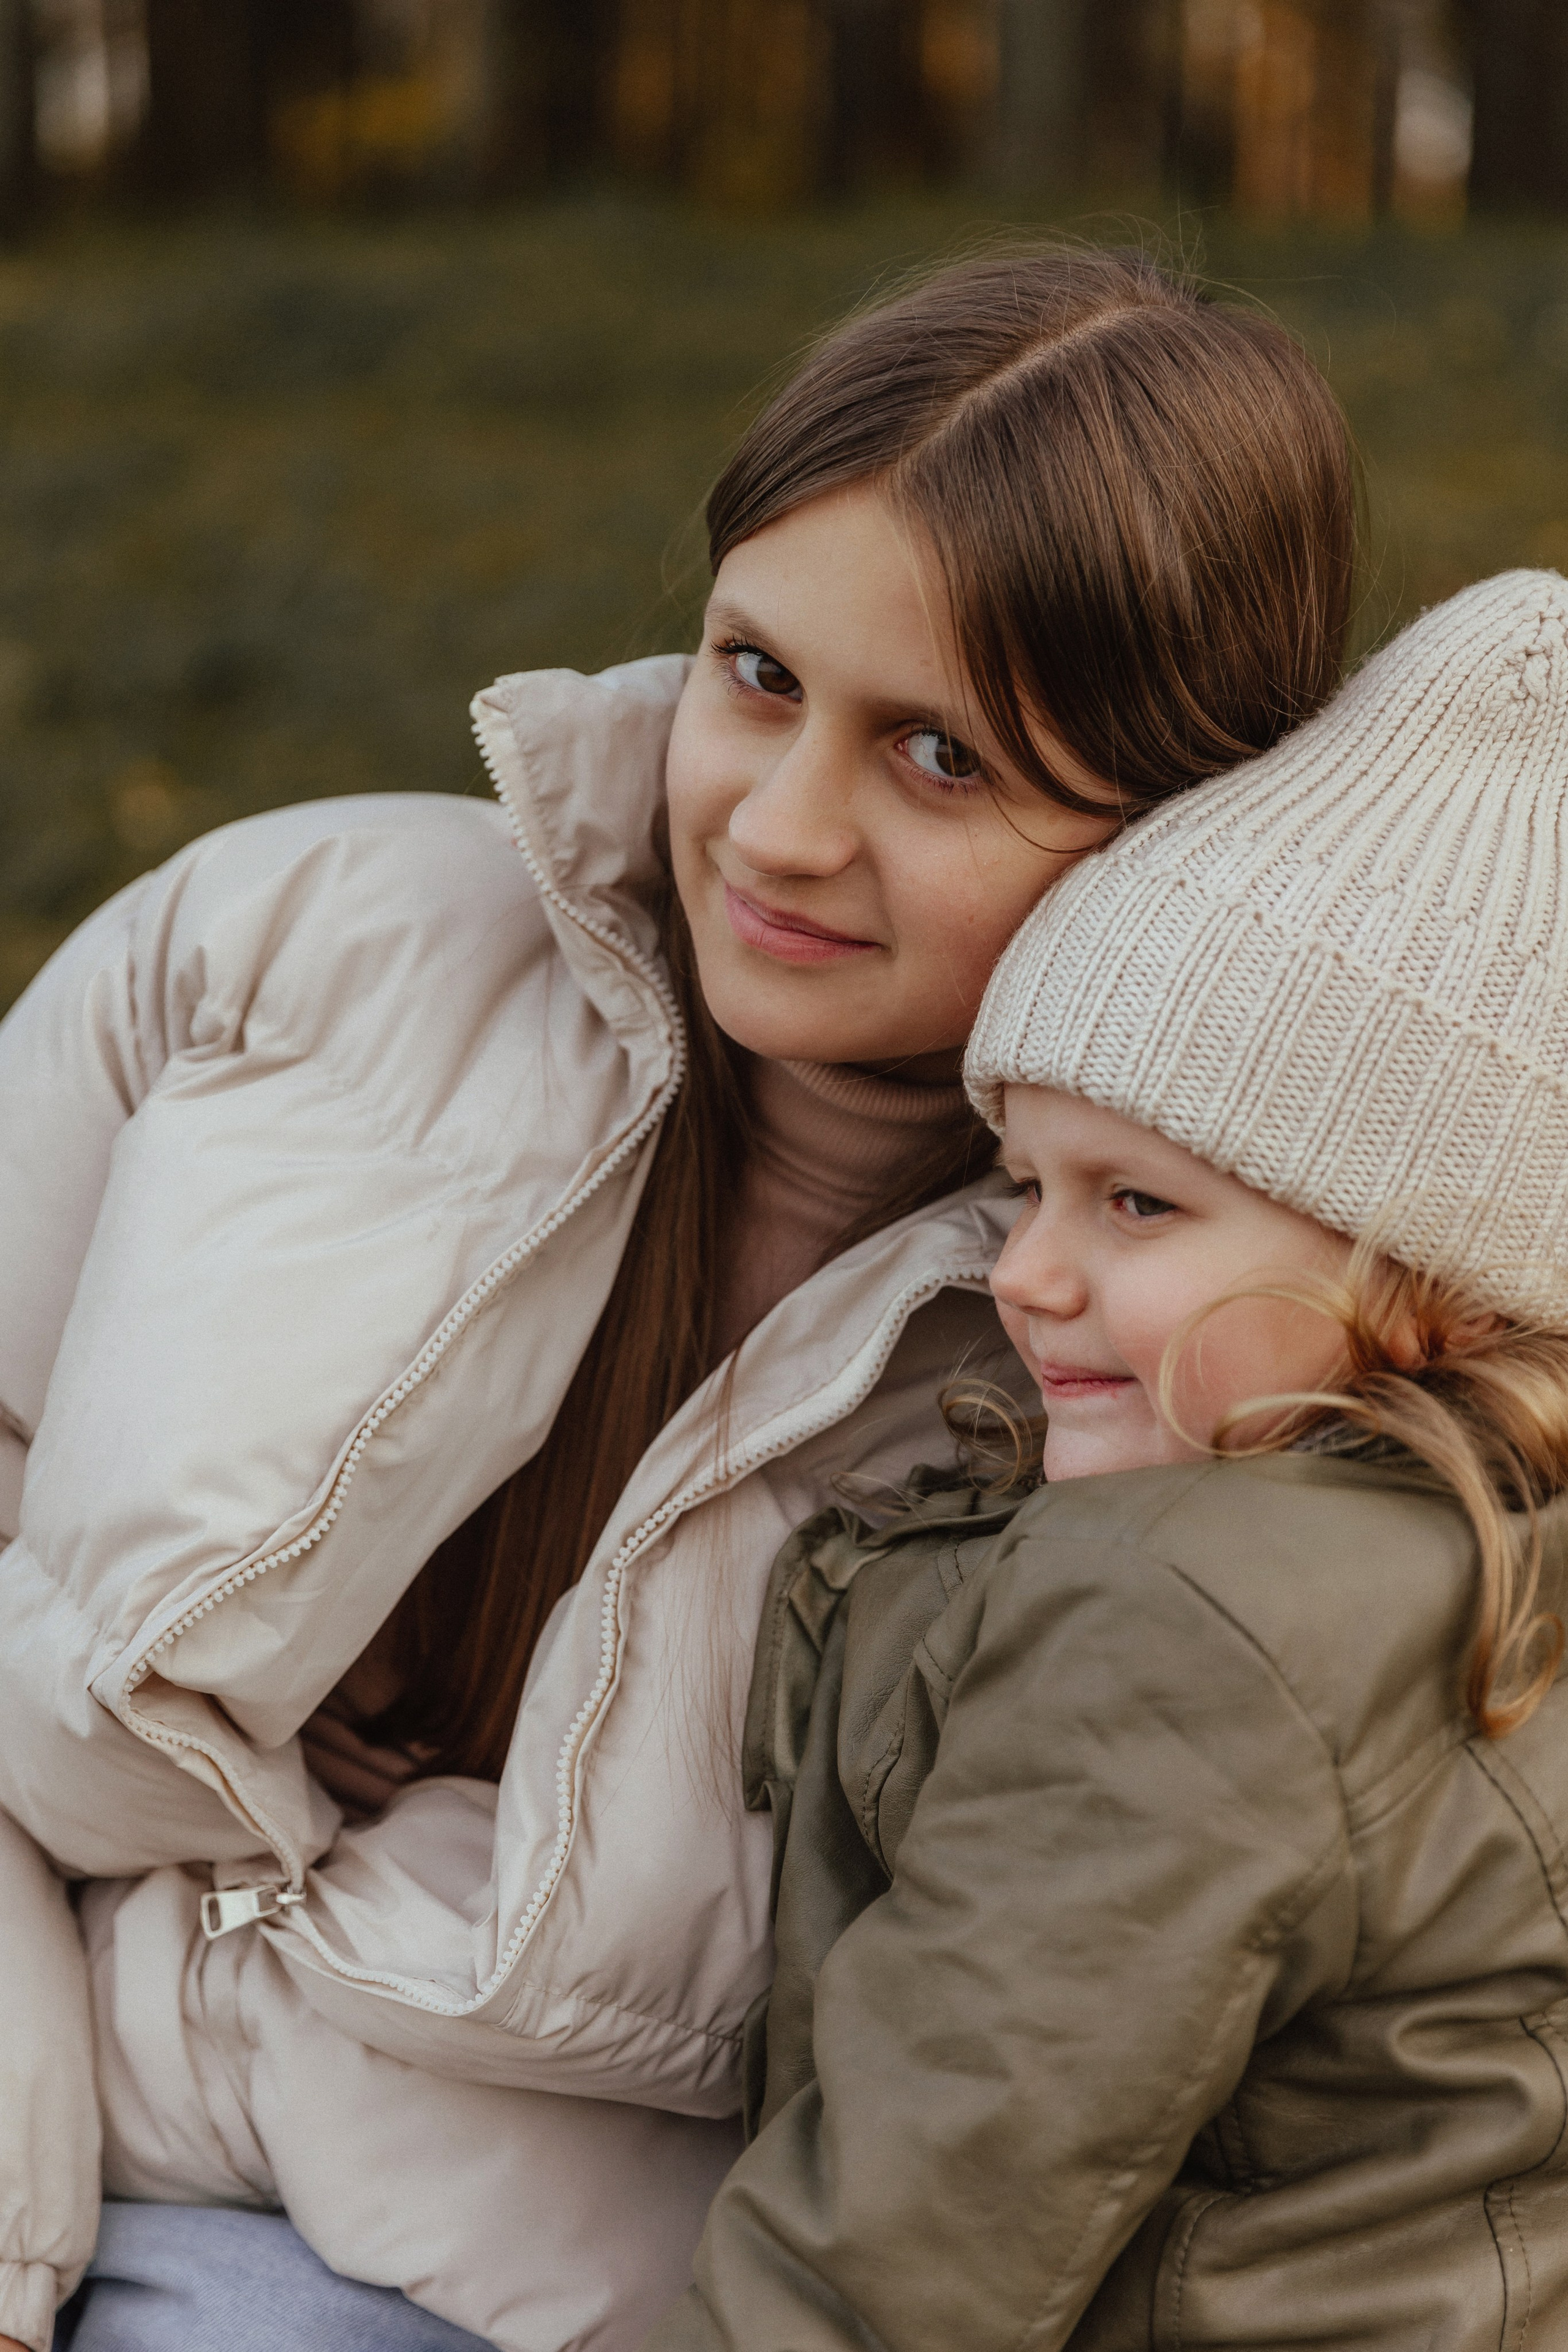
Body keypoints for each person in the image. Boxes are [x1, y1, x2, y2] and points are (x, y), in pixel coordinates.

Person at [0, 246, 1357, 2352]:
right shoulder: (279, 947)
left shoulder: (1165, 1352)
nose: (784, 830)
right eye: (757, 674)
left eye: (942, 757)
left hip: (559, 2301)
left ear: (1182, 822)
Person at [647, 567, 1568, 2352]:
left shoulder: (1194, 1620)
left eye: (1137, 1204)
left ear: (1438, 1267)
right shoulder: (1478, 1563)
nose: (1026, 1273)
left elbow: (893, 2256)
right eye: (1025, 1187)